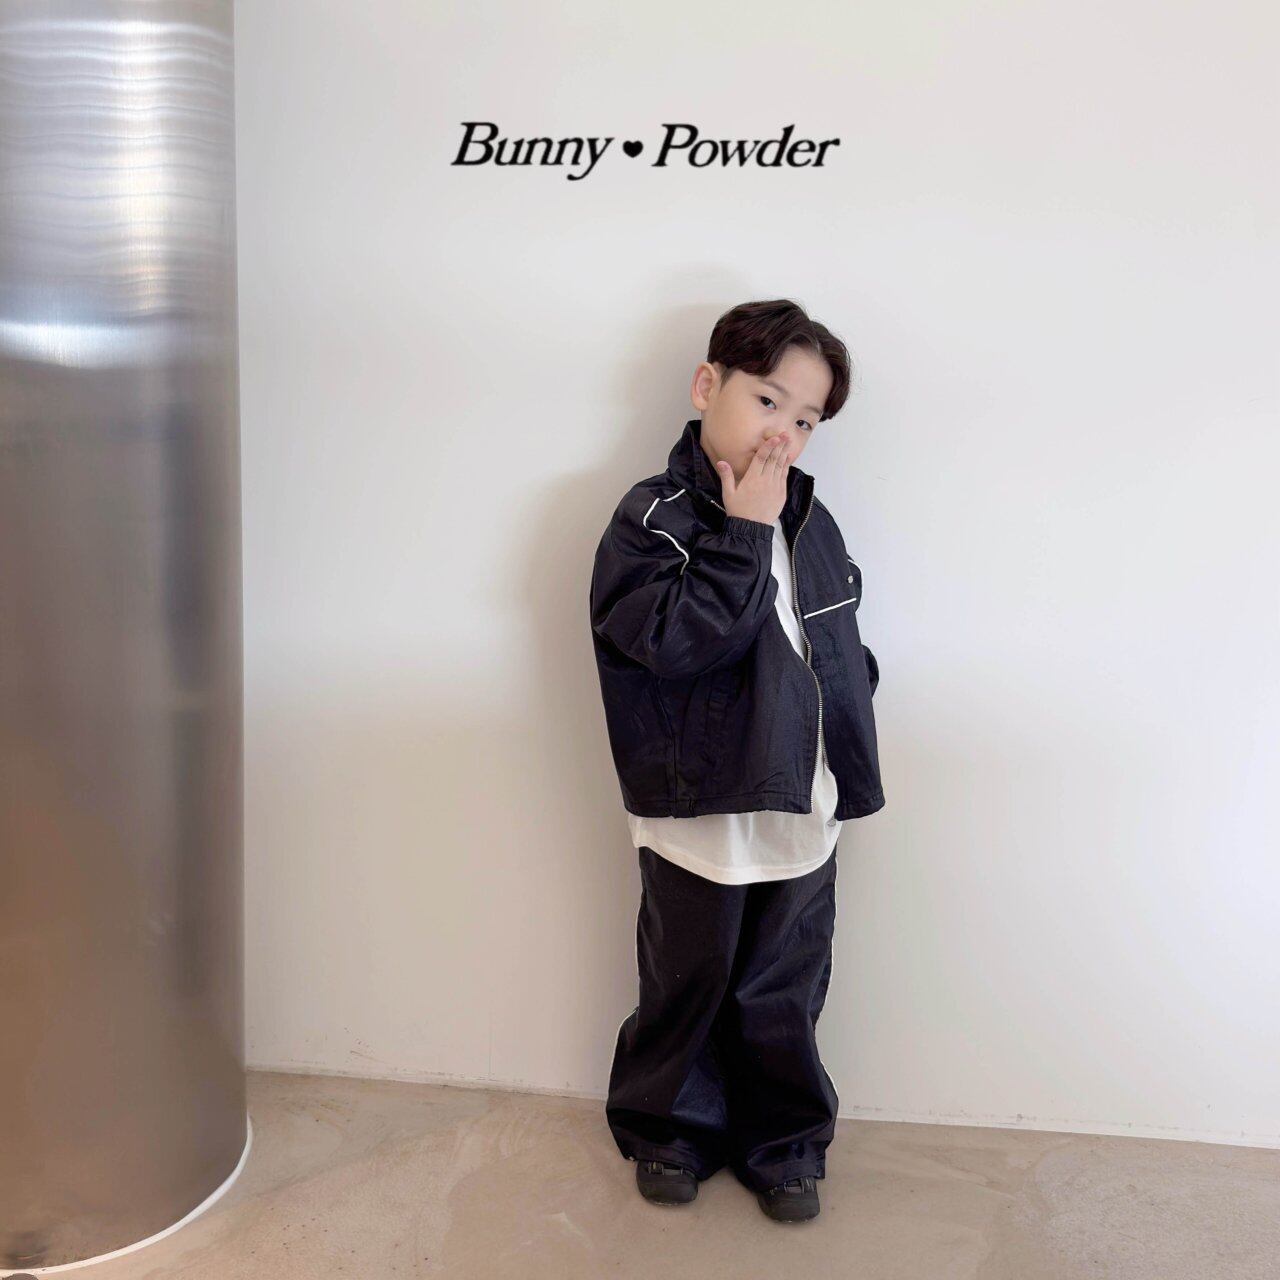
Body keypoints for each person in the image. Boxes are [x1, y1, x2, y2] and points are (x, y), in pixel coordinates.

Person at [587, 298, 885, 1222]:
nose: (783, 433)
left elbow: (835, 642)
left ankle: (784, 1143)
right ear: (706, 385)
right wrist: (745, 534)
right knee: (687, 981)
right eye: (767, 400)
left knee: (783, 987)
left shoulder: (812, 518)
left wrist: (850, 720)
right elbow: (676, 644)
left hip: (804, 800)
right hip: (699, 808)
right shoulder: (653, 518)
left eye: (807, 419)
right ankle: (670, 1131)